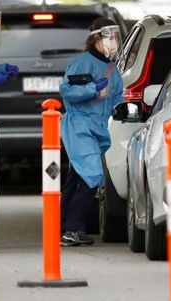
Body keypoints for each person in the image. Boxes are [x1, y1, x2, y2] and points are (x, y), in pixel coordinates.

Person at [59, 17, 124, 246]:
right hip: (79, 126)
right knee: (92, 175)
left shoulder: (112, 69)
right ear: (96, 37)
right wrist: (90, 88)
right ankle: (73, 228)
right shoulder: (81, 63)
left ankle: (62, 226)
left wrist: (123, 109)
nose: (113, 41)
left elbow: (117, 98)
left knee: (76, 177)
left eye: (115, 36)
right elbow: (67, 91)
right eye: (109, 36)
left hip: (96, 128)